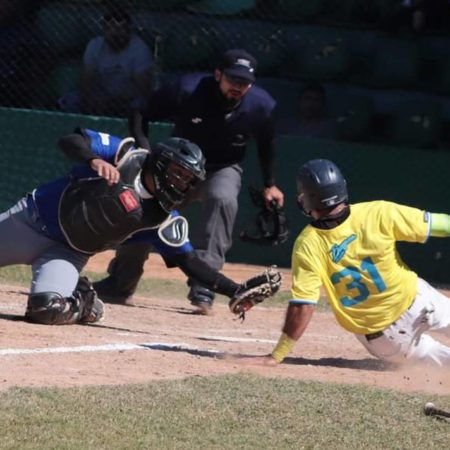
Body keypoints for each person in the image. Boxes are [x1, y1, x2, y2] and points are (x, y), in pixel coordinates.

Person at [0, 127, 280, 325]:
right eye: (179, 174)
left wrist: (235, 290)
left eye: (188, 180)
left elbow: (190, 261)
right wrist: (93, 159)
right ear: (161, 164)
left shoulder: (160, 217)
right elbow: (71, 139)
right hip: (30, 220)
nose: (182, 183)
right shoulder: (125, 155)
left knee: (46, 310)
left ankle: (82, 299)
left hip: (67, 253)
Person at [93, 48, 284, 314]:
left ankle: (203, 287)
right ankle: (120, 283)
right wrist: (144, 148)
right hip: (177, 169)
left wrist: (269, 183)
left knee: (223, 198)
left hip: (222, 167)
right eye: (233, 79)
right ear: (218, 74)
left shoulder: (260, 105)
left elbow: (267, 142)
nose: (238, 87)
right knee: (143, 214)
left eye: (245, 82)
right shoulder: (188, 89)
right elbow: (139, 109)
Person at [243, 158, 450, 367]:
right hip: (419, 301)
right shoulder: (378, 212)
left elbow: (303, 305)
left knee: (441, 361)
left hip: (386, 337)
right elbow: (439, 224)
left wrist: (277, 354)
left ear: (307, 199)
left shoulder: (308, 243)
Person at [58, 5, 154, 116]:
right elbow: (86, 79)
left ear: (128, 30)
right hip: (99, 96)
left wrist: (112, 100)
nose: (115, 34)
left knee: (139, 104)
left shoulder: (140, 48)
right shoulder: (94, 45)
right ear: (104, 29)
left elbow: (141, 87)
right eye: (110, 29)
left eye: (120, 29)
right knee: (71, 100)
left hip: (126, 97)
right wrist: (92, 97)